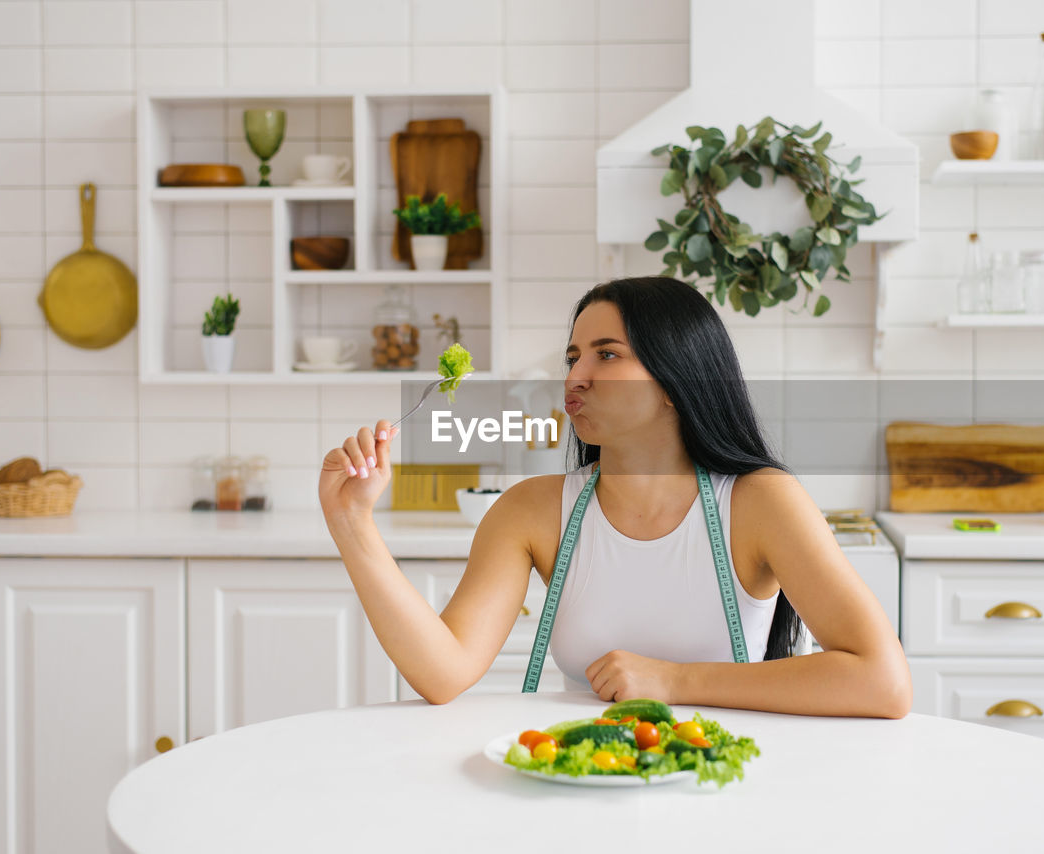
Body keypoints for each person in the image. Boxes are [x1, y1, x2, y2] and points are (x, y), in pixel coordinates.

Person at [318, 276, 911, 718]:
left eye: (606, 354)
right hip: (577, 783)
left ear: (678, 382)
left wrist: (675, 683)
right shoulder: (530, 511)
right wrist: (353, 523)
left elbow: (882, 681)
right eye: (573, 356)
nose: (575, 376)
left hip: (722, 787)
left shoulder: (761, 503)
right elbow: (442, 673)